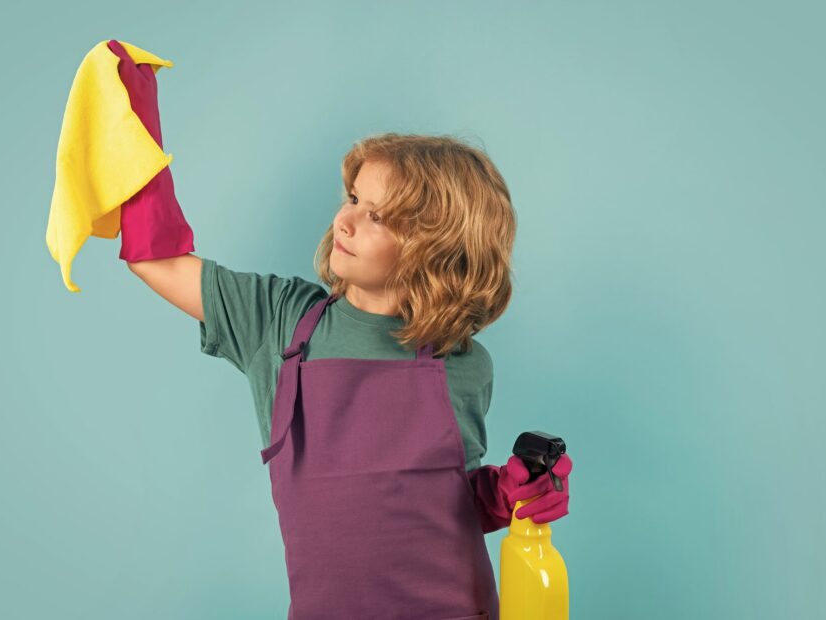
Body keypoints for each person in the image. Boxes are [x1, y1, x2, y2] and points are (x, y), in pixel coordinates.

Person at [111, 41, 572, 620]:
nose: (344, 220)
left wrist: (507, 494)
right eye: (354, 198)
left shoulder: (463, 361)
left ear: (436, 250)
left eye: (378, 216)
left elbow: (442, 505)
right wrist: (130, 110)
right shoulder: (275, 320)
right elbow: (157, 257)